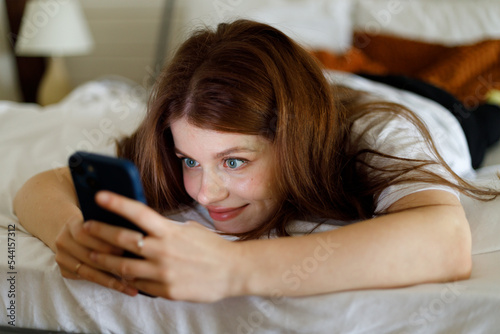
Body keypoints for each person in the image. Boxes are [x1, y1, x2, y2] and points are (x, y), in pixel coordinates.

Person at [13, 19, 500, 302]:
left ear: (295, 142)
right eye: (189, 160)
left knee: (483, 92)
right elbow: (43, 185)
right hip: (319, 76)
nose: (204, 194)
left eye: (233, 163)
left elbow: (445, 242)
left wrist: (233, 268)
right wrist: (66, 232)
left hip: (432, 103)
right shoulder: (191, 116)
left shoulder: (381, 132)